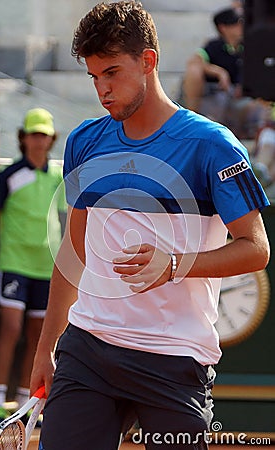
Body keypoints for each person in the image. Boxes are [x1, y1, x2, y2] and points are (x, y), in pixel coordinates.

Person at [30, 2, 270, 449]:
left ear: (149, 60)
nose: (103, 89)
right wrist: (47, 349)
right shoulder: (84, 140)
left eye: (113, 73)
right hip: (88, 350)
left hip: (175, 360)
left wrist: (175, 263)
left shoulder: (212, 146)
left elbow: (256, 248)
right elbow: (72, 251)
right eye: (94, 77)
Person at [0, 107, 65, 429]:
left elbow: (63, 219)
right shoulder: (8, 174)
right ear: (23, 138)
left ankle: (25, 403)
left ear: (51, 139)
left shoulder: (58, 176)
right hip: (14, 264)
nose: (39, 141)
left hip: (47, 268)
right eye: (34, 134)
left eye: (44, 135)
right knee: (11, 330)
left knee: (39, 338)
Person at [180, 7, 267, 139]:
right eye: (236, 23)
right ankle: (192, 119)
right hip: (214, 96)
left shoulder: (247, 47)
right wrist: (220, 72)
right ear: (223, 27)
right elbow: (194, 62)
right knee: (193, 72)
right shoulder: (214, 46)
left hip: (239, 100)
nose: (241, 26)